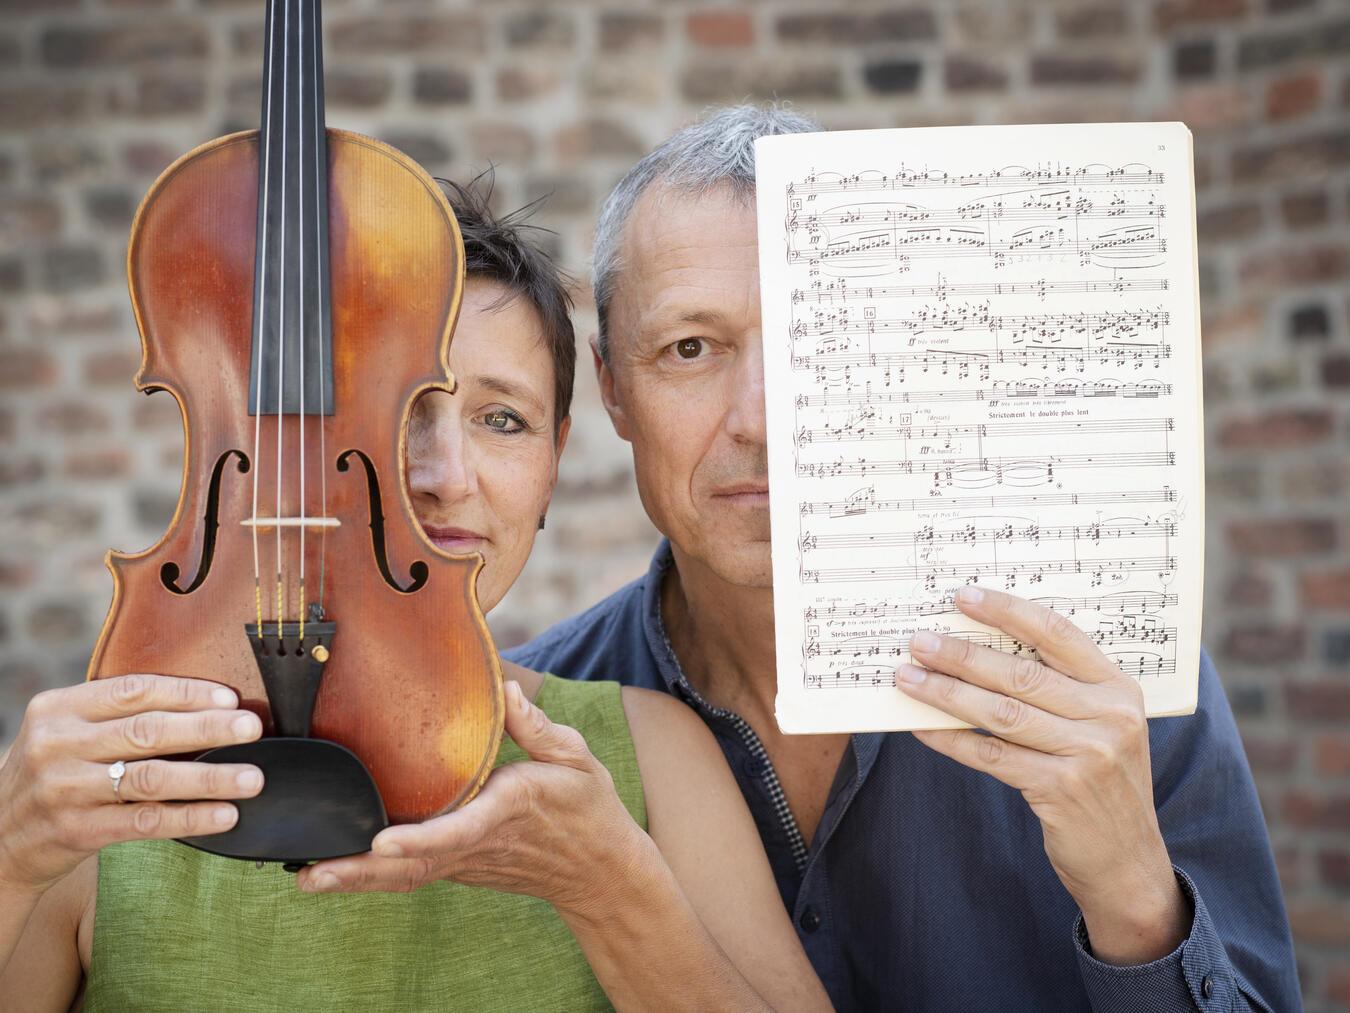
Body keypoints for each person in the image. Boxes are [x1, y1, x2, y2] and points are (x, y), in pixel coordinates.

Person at [500, 107, 1304, 1010]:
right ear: (612, 386)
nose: (763, 418)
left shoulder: (1106, 687)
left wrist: (1135, 899)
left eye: (817, 343)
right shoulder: (529, 725)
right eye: (691, 348)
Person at [0, 178, 831, 1012]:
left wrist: (610, 888)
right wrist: (5, 861)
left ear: (553, 465)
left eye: (502, 419)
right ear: (294, 446)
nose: (447, 477)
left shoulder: (653, 758)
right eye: (396, 413)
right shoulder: (105, 784)